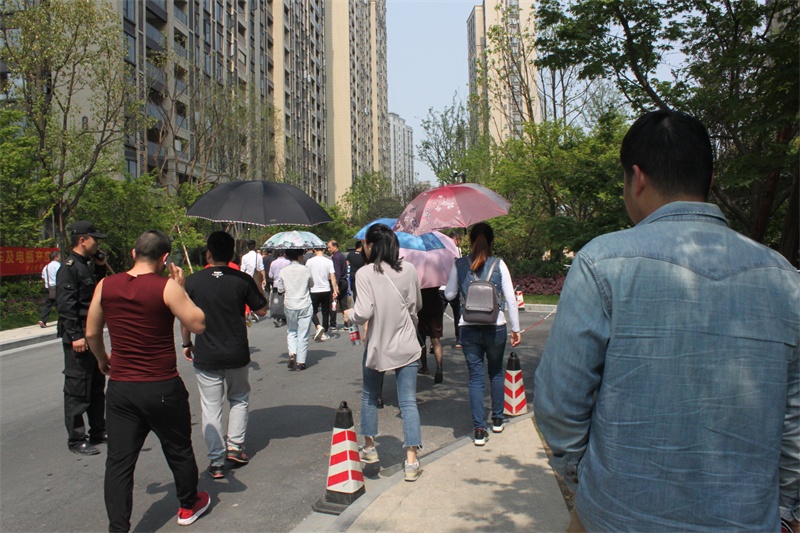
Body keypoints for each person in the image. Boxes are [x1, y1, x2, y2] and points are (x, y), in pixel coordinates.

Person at [533, 110, 800, 532]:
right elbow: (795, 423)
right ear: (710, 180)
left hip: (618, 517)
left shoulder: (601, 263)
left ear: (637, 178)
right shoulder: (785, 279)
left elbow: (559, 404)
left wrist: (584, 479)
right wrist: (785, 508)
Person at [85, 230, 210, 530]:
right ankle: (188, 505)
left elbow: (91, 332)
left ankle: (118, 527)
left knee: (119, 462)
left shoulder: (106, 285)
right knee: (178, 448)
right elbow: (198, 323)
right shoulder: (167, 287)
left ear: (133, 253)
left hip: (121, 387)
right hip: (161, 385)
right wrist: (180, 287)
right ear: (165, 258)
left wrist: (102, 358)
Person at [182, 231, 267, 480]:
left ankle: (216, 461)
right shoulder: (241, 279)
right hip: (236, 350)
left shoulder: (192, 281)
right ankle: (235, 448)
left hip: (206, 352)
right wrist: (257, 282)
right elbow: (262, 310)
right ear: (231, 255)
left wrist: (186, 343)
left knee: (211, 407)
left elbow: (185, 317)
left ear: (208, 254)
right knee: (238, 398)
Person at [343, 223, 424, 482]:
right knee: (408, 402)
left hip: (378, 344)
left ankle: (369, 448)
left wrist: (349, 315)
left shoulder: (365, 273)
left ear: (370, 246)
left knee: (369, 396)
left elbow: (363, 312)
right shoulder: (409, 269)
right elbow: (416, 305)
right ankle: (411, 462)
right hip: (407, 343)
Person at [444, 222, 521, 447]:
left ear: (470, 241)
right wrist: (516, 329)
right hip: (496, 326)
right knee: (496, 372)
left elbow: (449, 294)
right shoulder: (499, 264)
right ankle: (497, 419)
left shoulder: (459, 264)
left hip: (468, 327)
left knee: (476, 378)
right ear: (492, 241)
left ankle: (479, 429)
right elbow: (511, 299)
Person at [56, 220, 109, 455]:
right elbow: (66, 306)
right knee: (77, 389)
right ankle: (76, 439)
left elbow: (96, 294)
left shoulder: (85, 266)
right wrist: (75, 335)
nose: (97, 244)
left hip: (91, 335)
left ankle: (99, 430)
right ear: (82, 240)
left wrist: (100, 267)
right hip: (78, 337)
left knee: (96, 385)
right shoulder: (69, 268)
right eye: (94, 239)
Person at [276, 249, 314, 370]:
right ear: (299, 256)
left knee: (292, 331)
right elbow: (311, 284)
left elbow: (280, 289)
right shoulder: (306, 269)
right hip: (304, 303)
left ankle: (292, 353)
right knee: (303, 333)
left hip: (290, 304)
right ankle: (300, 361)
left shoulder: (283, 271)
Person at [306, 246, 337, 340]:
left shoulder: (309, 261)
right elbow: (332, 276)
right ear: (324, 250)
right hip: (326, 288)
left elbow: (307, 275)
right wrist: (335, 290)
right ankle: (324, 332)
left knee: (311, 310)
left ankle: (318, 326)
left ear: (314, 250)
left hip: (314, 289)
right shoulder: (329, 261)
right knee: (325, 312)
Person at [416, 287, 445, 384]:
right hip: (436, 304)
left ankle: (424, 367)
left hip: (422, 306)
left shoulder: (418, 280)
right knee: (436, 340)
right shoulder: (435, 280)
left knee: (421, 340)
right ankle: (439, 367)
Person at [440, 230, 462, 347]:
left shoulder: (458, 250)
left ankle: (459, 337)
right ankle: (436, 339)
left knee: (457, 314)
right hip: (443, 286)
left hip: (453, 286)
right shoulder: (443, 251)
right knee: (439, 315)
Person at [240, 239, 266, 322]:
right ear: (254, 246)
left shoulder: (244, 257)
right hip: (256, 278)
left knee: (247, 295)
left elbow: (242, 269)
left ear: (248, 247)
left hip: (247, 278)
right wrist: (264, 279)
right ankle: (255, 310)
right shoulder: (258, 256)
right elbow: (261, 268)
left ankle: (249, 310)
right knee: (256, 295)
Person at [327, 240, 348, 330]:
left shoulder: (336, 257)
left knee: (333, 303)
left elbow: (337, 273)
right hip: (344, 281)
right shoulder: (341, 255)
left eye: (329, 247)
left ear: (335, 246)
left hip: (339, 282)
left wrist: (335, 286)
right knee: (343, 304)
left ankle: (333, 324)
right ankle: (347, 323)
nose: (328, 249)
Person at [38, 250, 61, 328]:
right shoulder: (58, 266)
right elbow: (62, 275)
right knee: (60, 304)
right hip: (57, 288)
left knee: (47, 305)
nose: (59, 258)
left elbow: (43, 277)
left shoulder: (46, 267)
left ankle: (43, 320)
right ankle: (63, 319)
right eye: (59, 256)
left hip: (48, 288)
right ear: (56, 257)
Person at [268, 250, 290, 327]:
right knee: (285, 301)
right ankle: (284, 317)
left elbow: (270, 275)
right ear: (284, 254)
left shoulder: (273, 263)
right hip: (285, 284)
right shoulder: (288, 262)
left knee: (276, 301)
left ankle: (277, 317)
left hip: (276, 284)